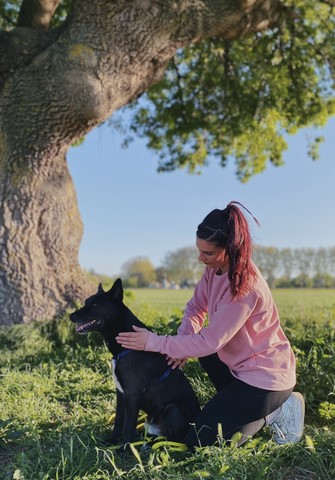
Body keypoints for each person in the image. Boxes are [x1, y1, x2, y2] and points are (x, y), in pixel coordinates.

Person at [116, 201, 305, 449]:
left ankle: (279, 410)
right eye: (199, 250)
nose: (200, 258)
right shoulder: (215, 269)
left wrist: (153, 341)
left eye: (207, 253)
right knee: (203, 357)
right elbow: (196, 307)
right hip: (238, 368)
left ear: (230, 249)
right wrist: (181, 344)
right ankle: (244, 409)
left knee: (201, 443)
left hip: (265, 378)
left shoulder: (246, 288)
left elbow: (210, 341)